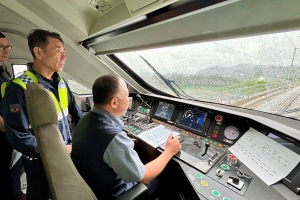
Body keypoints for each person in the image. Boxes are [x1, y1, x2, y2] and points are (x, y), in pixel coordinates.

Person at [1, 29, 83, 200]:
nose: (64, 57)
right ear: (38, 52)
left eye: (64, 51)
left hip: (65, 153)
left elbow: (78, 115)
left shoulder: (61, 83)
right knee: (39, 195)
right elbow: (18, 136)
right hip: (39, 160)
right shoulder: (18, 88)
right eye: (58, 50)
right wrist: (57, 150)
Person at [71, 74, 181, 200]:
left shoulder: (85, 119)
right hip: (117, 195)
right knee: (166, 176)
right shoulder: (113, 138)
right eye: (127, 95)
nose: (129, 99)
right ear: (114, 102)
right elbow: (144, 176)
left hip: (92, 187)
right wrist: (169, 151)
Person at [0, 32, 16, 200]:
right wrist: (16, 132)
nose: (6, 50)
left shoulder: (3, 72)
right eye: (1, 47)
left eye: (8, 46)